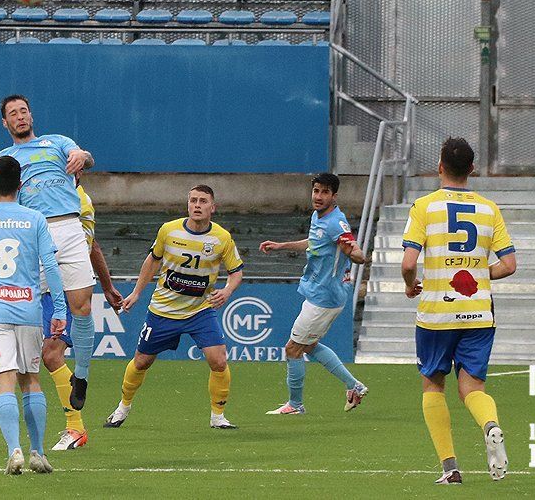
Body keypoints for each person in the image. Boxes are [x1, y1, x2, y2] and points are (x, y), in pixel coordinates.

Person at [0, 94, 99, 445]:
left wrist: (81, 155)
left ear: (31, 114)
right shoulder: (3, 159)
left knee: (79, 312)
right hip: (31, 234)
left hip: (68, 227)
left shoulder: (57, 143)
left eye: (24, 110)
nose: (20, 116)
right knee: (3, 320)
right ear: (5, 122)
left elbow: (85, 156)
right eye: (13, 113)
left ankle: (82, 382)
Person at [0, 177, 123, 452]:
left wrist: (107, 285)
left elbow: (89, 246)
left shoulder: (77, 203)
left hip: (59, 288)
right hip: (29, 288)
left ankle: (75, 427)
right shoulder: (37, 197)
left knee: (50, 355)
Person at [400, 137, 516, 485]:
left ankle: (450, 469)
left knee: (433, 386)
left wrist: (410, 284)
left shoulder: (424, 206)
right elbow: (509, 265)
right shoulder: (488, 208)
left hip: (436, 314)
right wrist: (478, 274)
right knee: (472, 389)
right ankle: (490, 425)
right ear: (472, 169)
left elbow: (408, 263)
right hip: (479, 312)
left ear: (439, 167)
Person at [0, 155, 66, 474]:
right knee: (31, 381)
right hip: (29, 311)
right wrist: (58, 307)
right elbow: (51, 266)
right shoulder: (35, 219)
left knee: (4, 383)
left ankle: (13, 450)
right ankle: (39, 452)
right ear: (21, 185)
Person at [103, 185, 243, 430]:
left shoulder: (222, 238)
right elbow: (152, 261)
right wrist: (136, 293)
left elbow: (236, 272)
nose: (197, 205)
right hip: (163, 310)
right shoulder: (169, 230)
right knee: (142, 362)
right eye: (193, 200)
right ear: (188, 204)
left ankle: (218, 416)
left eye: (203, 201)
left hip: (200, 310)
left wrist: (228, 290)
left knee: (218, 360)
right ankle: (123, 407)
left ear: (213, 207)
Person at [259, 173, 369, 415]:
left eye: (324, 192)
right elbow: (313, 242)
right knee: (308, 346)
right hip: (320, 293)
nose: (318, 197)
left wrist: (357, 255)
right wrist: (282, 246)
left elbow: (352, 248)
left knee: (292, 349)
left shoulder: (336, 223)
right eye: (316, 191)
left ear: (334, 196)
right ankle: (354, 386)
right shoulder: (318, 218)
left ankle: (296, 405)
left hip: (324, 297)